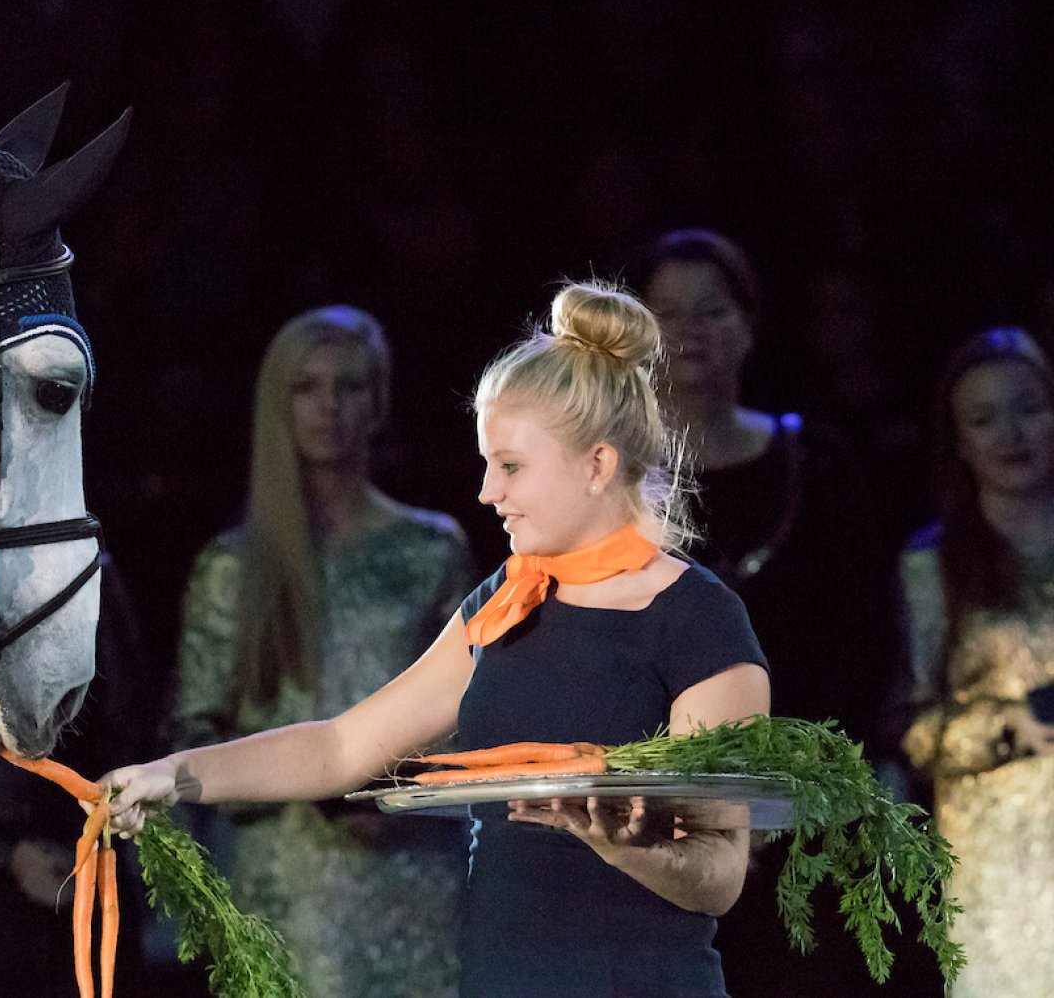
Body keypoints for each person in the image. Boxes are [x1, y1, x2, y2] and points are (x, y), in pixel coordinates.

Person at [104, 283, 771, 998]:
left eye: (510, 466)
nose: (488, 492)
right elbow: (339, 747)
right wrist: (176, 773)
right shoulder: (504, 603)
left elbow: (719, 874)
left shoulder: (699, 618)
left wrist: (613, 837)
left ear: (598, 465)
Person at [628, 228, 927, 995]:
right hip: (659, 834)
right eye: (668, 313)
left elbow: (863, 650)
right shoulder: (604, 482)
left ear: (750, 325)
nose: (692, 332)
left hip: (814, 826)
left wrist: (774, 802)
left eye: (712, 310)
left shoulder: (819, 465)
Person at [164, 305, 474, 997]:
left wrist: (409, 788)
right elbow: (193, 724)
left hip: (413, 872)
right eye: (307, 388)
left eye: (349, 386)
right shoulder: (232, 567)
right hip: (284, 876)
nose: (329, 407)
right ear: (279, 403)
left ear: (379, 400)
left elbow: (469, 711)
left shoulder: (431, 550)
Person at [901, 326, 1054, 998]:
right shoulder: (932, 566)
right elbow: (910, 729)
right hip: (1001, 862)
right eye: (984, 420)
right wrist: (1004, 726)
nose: (1011, 434)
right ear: (960, 442)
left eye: (1028, 409)